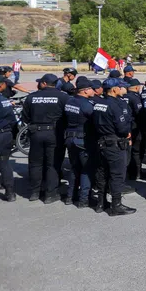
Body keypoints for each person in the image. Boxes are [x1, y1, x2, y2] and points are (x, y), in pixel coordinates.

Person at [91, 79, 136, 216]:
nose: (123, 89)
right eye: (120, 87)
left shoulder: (98, 103)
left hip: (101, 142)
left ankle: (101, 202)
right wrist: (128, 132)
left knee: (102, 173)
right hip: (114, 143)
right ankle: (116, 205)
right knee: (117, 175)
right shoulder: (116, 105)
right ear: (114, 89)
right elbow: (122, 127)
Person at [21, 73, 69, 203]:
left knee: (35, 163)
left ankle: (34, 192)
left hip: (36, 132)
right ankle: (50, 194)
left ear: (43, 83)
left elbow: (25, 117)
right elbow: (68, 116)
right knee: (52, 164)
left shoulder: (31, 97)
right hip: (55, 134)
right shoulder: (63, 97)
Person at [63, 77, 96, 208]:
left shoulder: (70, 101)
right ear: (85, 91)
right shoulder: (87, 105)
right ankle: (84, 200)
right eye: (91, 89)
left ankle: (70, 197)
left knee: (74, 168)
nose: (93, 91)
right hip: (82, 140)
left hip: (70, 138)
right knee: (86, 170)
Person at [0, 76, 17, 202]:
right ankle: (10, 192)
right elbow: (13, 120)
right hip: (6, 135)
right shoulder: (4, 100)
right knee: (4, 163)